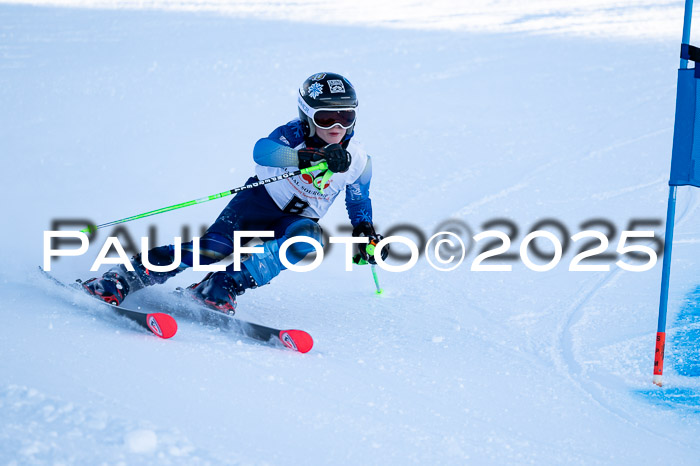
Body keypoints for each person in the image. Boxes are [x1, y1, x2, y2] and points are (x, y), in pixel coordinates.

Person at [81, 72, 389, 314]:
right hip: (257, 204)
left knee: (308, 239)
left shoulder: (359, 160)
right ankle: (124, 277)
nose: (336, 126)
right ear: (307, 116)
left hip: (296, 219)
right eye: (325, 118)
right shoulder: (293, 134)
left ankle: (221, 285)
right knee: (212, 250)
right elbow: (263, 151)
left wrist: (366, 233)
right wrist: (304, 158)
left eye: (345, 117)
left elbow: (359, 201)